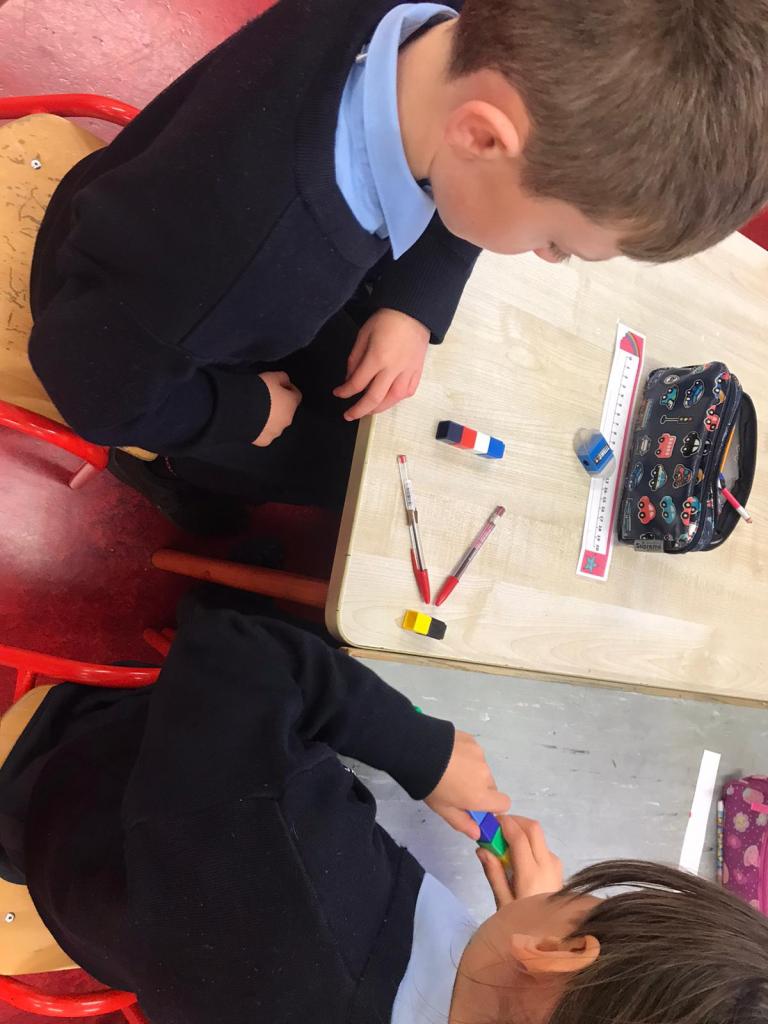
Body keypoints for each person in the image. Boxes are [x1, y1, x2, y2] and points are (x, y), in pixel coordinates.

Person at [26, 0, 768, 531]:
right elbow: (89, 380)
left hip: (218, 258)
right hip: (128, 331)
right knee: (344, 466)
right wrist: (243, 412)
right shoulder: (242, 261)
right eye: (556, 241)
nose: (546, 258)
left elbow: (473, 174)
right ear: (481, 137)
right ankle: (176, 473)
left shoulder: (466, 37)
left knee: (379, 409)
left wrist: (413, 303)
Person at [1, 598, 767, 1023]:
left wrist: (416, 747)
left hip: (66, 805)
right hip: (146, 930)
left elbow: (235, 650)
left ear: (560, 954)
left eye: (597, 907)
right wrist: (531, 929)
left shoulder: (293, 862)